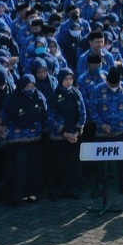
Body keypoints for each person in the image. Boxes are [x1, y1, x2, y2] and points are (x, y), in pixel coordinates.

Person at [0, 74, 46, 204]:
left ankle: (33, 192)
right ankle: (17, 194)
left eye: (32, 86)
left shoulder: (39, 97)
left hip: (34, 138)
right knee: (18, 168)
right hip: (17, 141)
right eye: (27, 87)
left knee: (33, 167)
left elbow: (44, 114)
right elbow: (5, 117)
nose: (30, 89)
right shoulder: (12, 99)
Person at [90, 67, 123, 194]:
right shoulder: (98, 90)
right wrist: (102, 124)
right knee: (101, 161)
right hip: (103, 132)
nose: (114, 87)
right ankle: (100, 185)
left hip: (122, 130)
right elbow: (93, 110)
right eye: (111, 84)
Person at [46, 68, 85, 200]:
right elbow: (50, 118)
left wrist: (77, 131)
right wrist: (63, 132)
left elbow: (82, 113)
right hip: (59, 137)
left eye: (71, 79)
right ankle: (58, 190)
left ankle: (73, 189)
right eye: (66, 79)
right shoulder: (54, 96)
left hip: (74, 136)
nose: (69, 82)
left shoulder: (76, 93)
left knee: (74, 164)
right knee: (59, 165)